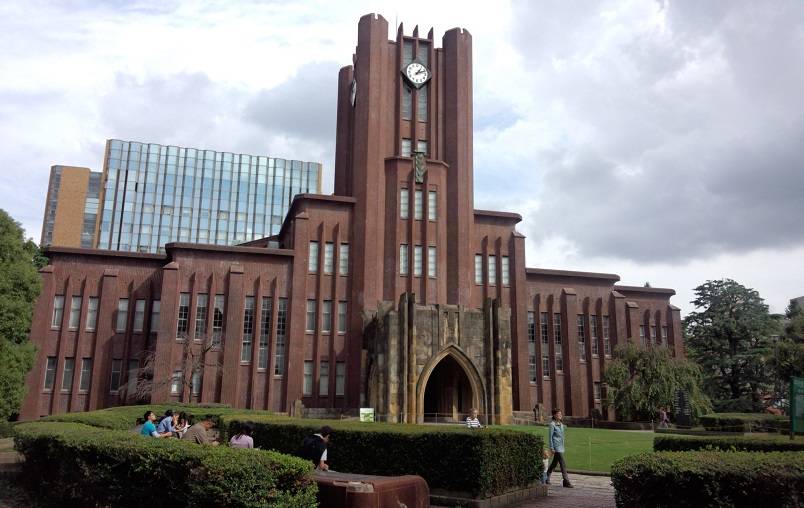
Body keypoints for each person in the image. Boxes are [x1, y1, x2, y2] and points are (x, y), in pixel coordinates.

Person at [545, 408, 573, 488]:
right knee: (562, 463)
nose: (560, 415)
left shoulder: (561, 424)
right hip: (556, 447)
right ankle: (566, 481)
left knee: (554, 463)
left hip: (561, 446)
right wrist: (552, 448)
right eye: (558, 414)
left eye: (561, 414)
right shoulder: (552, 424)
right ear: (554, 415)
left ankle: (546, 477)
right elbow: (550, 437)